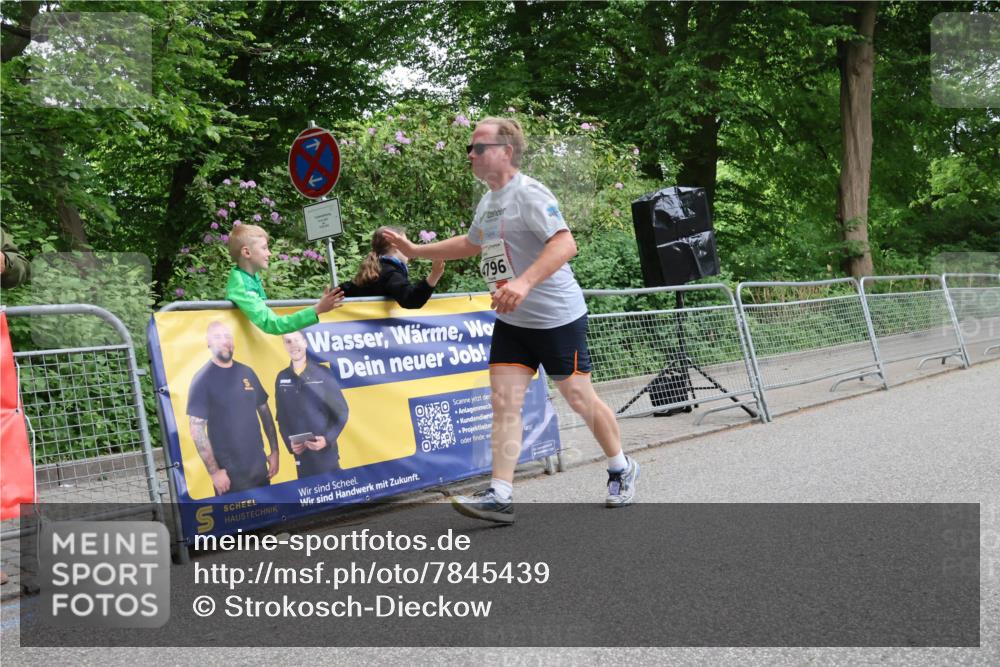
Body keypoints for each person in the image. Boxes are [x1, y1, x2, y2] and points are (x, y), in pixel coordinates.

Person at [385, 116, 638, 523]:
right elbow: (471, 243)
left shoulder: (529, 193)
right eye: (469, 148)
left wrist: (522, 282)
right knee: (504, 404)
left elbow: (565, 243)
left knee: (579, 399)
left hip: (557, 318)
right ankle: (501, 493)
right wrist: (416, 252)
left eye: (478, 147)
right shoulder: (488, 201)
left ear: (505, 151)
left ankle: (621, 466)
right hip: (514, 321)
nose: (470, 154)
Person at [187, 321, 281, 495]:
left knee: (268, 517)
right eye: (217, 337)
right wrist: (214, 472)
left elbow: (265, 413)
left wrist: (275, 452)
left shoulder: (247, 372)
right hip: (229, 474)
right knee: (237, 520)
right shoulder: (202, 379)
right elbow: (196, 429)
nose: (224, 341)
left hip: (259, 467)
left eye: (227, 336)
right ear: (208, 342)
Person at [226, 224, 344, 334]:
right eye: (264, 248)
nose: (269, 253)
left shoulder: (249, 277)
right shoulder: (242, 286)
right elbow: (274, 324)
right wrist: (317, 309)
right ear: (247, 252)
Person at [274, 330, 349, 478]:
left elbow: (342, 411)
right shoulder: (282, 377)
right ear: (284, 345)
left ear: (305, 342)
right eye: (288, 341)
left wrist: (327, 439)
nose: (293, 345)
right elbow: (281, 418)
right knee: (310, 499)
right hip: (301, 459)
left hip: (326, 457)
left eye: (297, 340)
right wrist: (291, 445)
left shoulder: (322, 373)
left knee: (334, 498)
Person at [339, 226, 445, 308]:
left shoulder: (374, 269)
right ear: (395, 246)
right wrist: (434, 275)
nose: (410, 246)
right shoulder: (390, 273)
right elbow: (411, 299)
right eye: (406, 243)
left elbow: (343, 290)